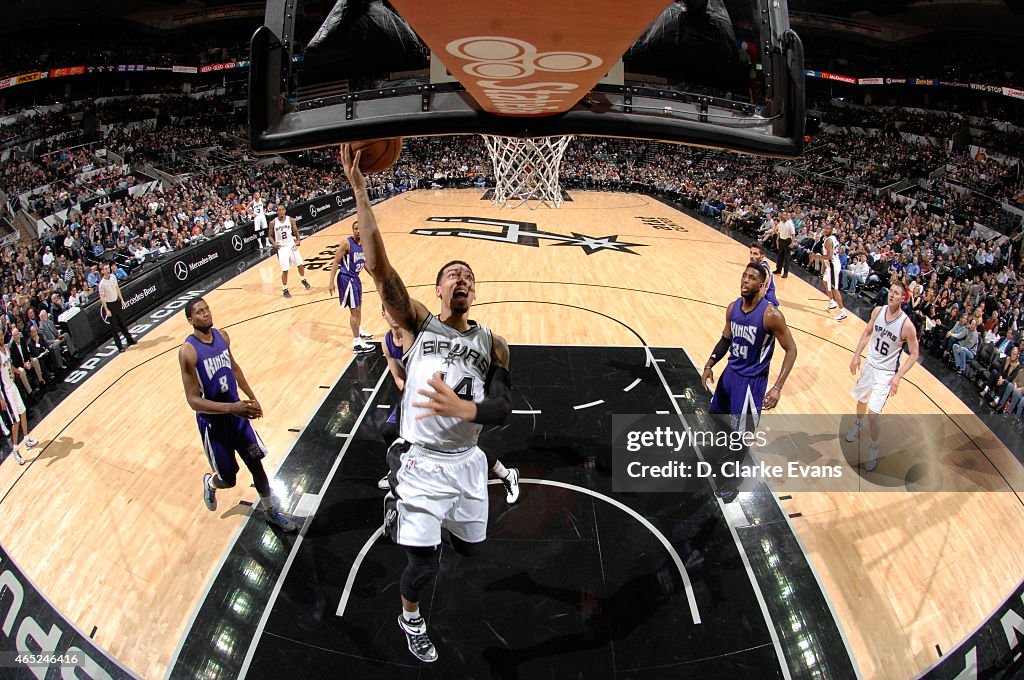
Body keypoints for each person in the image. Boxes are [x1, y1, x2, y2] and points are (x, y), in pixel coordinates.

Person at [342, 144, 513, 664]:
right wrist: (361, 192)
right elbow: (379, 268)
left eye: (468, 276)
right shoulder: (418, 323)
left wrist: (469, 412)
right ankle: (410, 618)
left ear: (474, 291)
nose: (461, 279)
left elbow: (503, 407)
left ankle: (435, 519)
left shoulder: (494, 343)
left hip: (467, 462)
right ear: (438, 289)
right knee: (423, 566)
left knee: (471, 548)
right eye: (453, 274)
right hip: (421, 463)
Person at [178, 297, 297, 532]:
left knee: (257, 465)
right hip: (214, 425)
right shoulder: (188, 352)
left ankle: (270, 511)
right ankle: (211, 482)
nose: (206, 314)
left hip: (238, 417)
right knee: (229, 479)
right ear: (190, 320)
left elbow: (234, 368)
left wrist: (252, 397)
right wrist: (232, 408)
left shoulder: (223, 336)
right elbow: (193, 401)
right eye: (199, 312)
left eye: (207, 309)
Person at [702, 263, 798, 431]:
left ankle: (734, 456)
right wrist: (709, 364)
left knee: (741, 433)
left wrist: (777, 387)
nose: (745, 281)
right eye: (744, 276)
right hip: (730, 373)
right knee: (715, 416)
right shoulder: (733, 307)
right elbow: (726, 339)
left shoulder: (771, 315)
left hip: (751, 381)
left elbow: (791, 350)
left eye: (751, 278)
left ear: (761, 286)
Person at [846, 281, 920, 471]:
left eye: (896, 293)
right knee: (861, 401)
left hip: (886, 373)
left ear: (903, 298)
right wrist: (856, 356)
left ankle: (874, 448)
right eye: (891, 291)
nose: (892, 295)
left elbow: (914, 354)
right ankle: (857, 425)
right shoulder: (878, 311)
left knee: (873, 414)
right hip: (870, 364)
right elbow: (866, 333)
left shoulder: (907, 325)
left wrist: (899, 376)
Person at [328, 220, 374, 354]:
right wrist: (331, 281)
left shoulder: (364, 244)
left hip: (355, 278)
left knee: (358, 307)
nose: (358, 231)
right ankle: (356, 343)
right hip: (346, 279)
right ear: (352, 230)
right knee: (355, 310)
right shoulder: (347, 243)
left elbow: (364, 263)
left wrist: (374, 277)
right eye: (355, 229)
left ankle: (359, 329)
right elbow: (336, 261)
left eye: (360, 229)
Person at [0, 337, 39, 465]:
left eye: (1, 334)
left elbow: (9, 365)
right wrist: (1, 399)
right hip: (7, 392)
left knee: (23, 412)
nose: (0, 337)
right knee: (15, 421)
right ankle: (15, 450)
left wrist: (17, 371)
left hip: (13, 386)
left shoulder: (6, 348)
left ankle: (27, 439)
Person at [269, 205, 311, 298]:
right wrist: (274, 244)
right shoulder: (273, 223)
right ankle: (285, 289)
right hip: (282, 247)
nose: (281, 211)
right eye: (279, 210)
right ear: (277, 212)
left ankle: (303, 279)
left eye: (282, 210)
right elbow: (270, 236)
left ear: (285, 210)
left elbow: (296, 231)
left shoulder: (291, 220)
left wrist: (298, 240)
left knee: (300, 264)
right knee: (285, 270)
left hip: (291, 245)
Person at [809, 223, 847, 321]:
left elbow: (829, 257)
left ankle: (842, 312)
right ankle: (831, 302)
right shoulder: (833, 238)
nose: (826, 230)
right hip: (830, 265)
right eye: (825, 228)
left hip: (833, 265)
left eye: (828, 229)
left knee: (834, 288)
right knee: (825, 282)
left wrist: (816, 256)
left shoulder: (828, 241)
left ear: (832, 230)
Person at [99, 263, 136, 352]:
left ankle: (129, 339)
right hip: (110, 305)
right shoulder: (102, 284)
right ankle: (119, 347)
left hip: (117, 302)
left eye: (108, 268)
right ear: (102, 271)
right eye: (105, 269)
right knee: (114, 328)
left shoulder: (113, 277)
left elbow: (117, 288)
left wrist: (122, 299)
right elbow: (102, 298)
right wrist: (107, 309)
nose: (108, 270)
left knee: (122, 323)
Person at [749, 242, 779, 307]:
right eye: (751, 253)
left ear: (762, 257)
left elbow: (761, 295)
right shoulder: (757, 267)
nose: (751, 256)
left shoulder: (763, 271)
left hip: (769, 306)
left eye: (755, 254)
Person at [774, 210, 795, 278]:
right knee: (780, 256)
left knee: (786, 258)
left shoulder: (790, 224)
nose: (784, 216)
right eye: (783, 215)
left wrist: (792, 243)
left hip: (787, 241)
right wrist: (777, 240)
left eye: (785, 215)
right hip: (781, 240)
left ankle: (785, 273)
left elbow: (793, 234)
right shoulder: (780, 223)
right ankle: (778, 270)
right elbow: (779, 232)